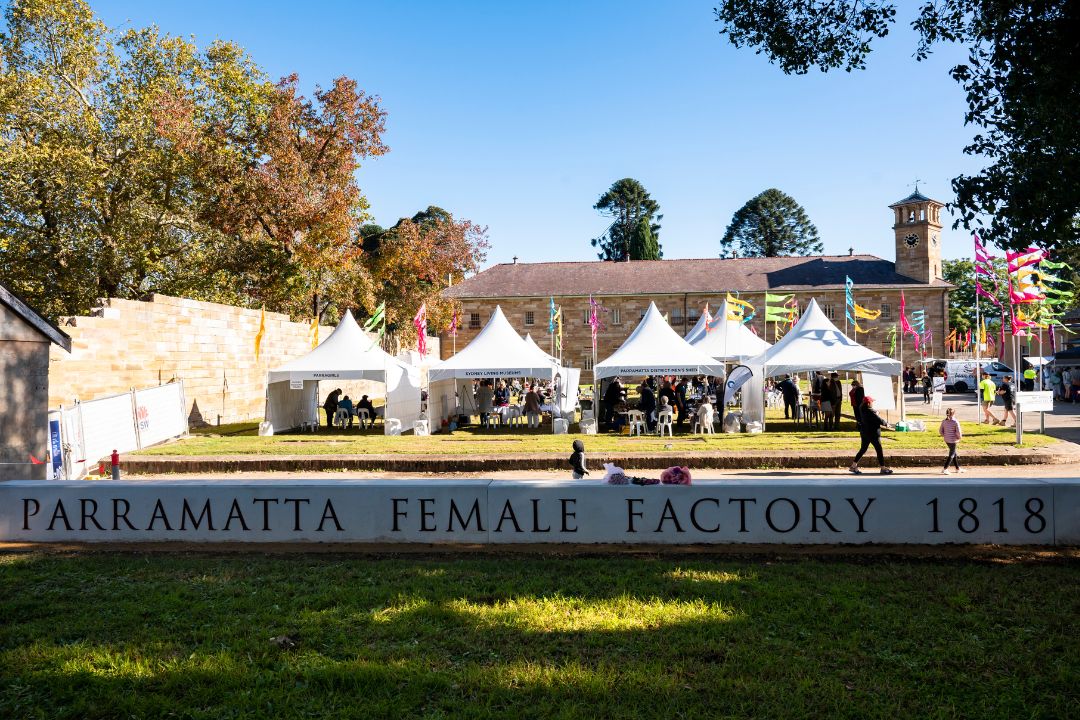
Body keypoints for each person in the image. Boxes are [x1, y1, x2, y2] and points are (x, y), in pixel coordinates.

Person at [849, 396, 893, 475]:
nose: (873, 403)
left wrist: (875, 413)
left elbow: (873, 414)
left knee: (863, 449)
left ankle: (853, 466)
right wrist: (886, 424)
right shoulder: (870, 411)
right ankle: (883, 468)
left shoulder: (862, 409)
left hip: (864, 432)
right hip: (872, 433)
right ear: (868, 403)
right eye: (872, 402)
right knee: (879, 450)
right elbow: (878, 420)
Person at [939, 407, 964, 474]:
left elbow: (940, 431)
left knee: (954, 453)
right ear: (953, 414)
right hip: (953, 440)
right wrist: (959, 437)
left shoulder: (944, 421)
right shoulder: (955, 421)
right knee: (952, 455)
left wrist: (945, 435)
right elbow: (958, 431)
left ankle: (957, 468)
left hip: (947, 440)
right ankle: (945, 468)